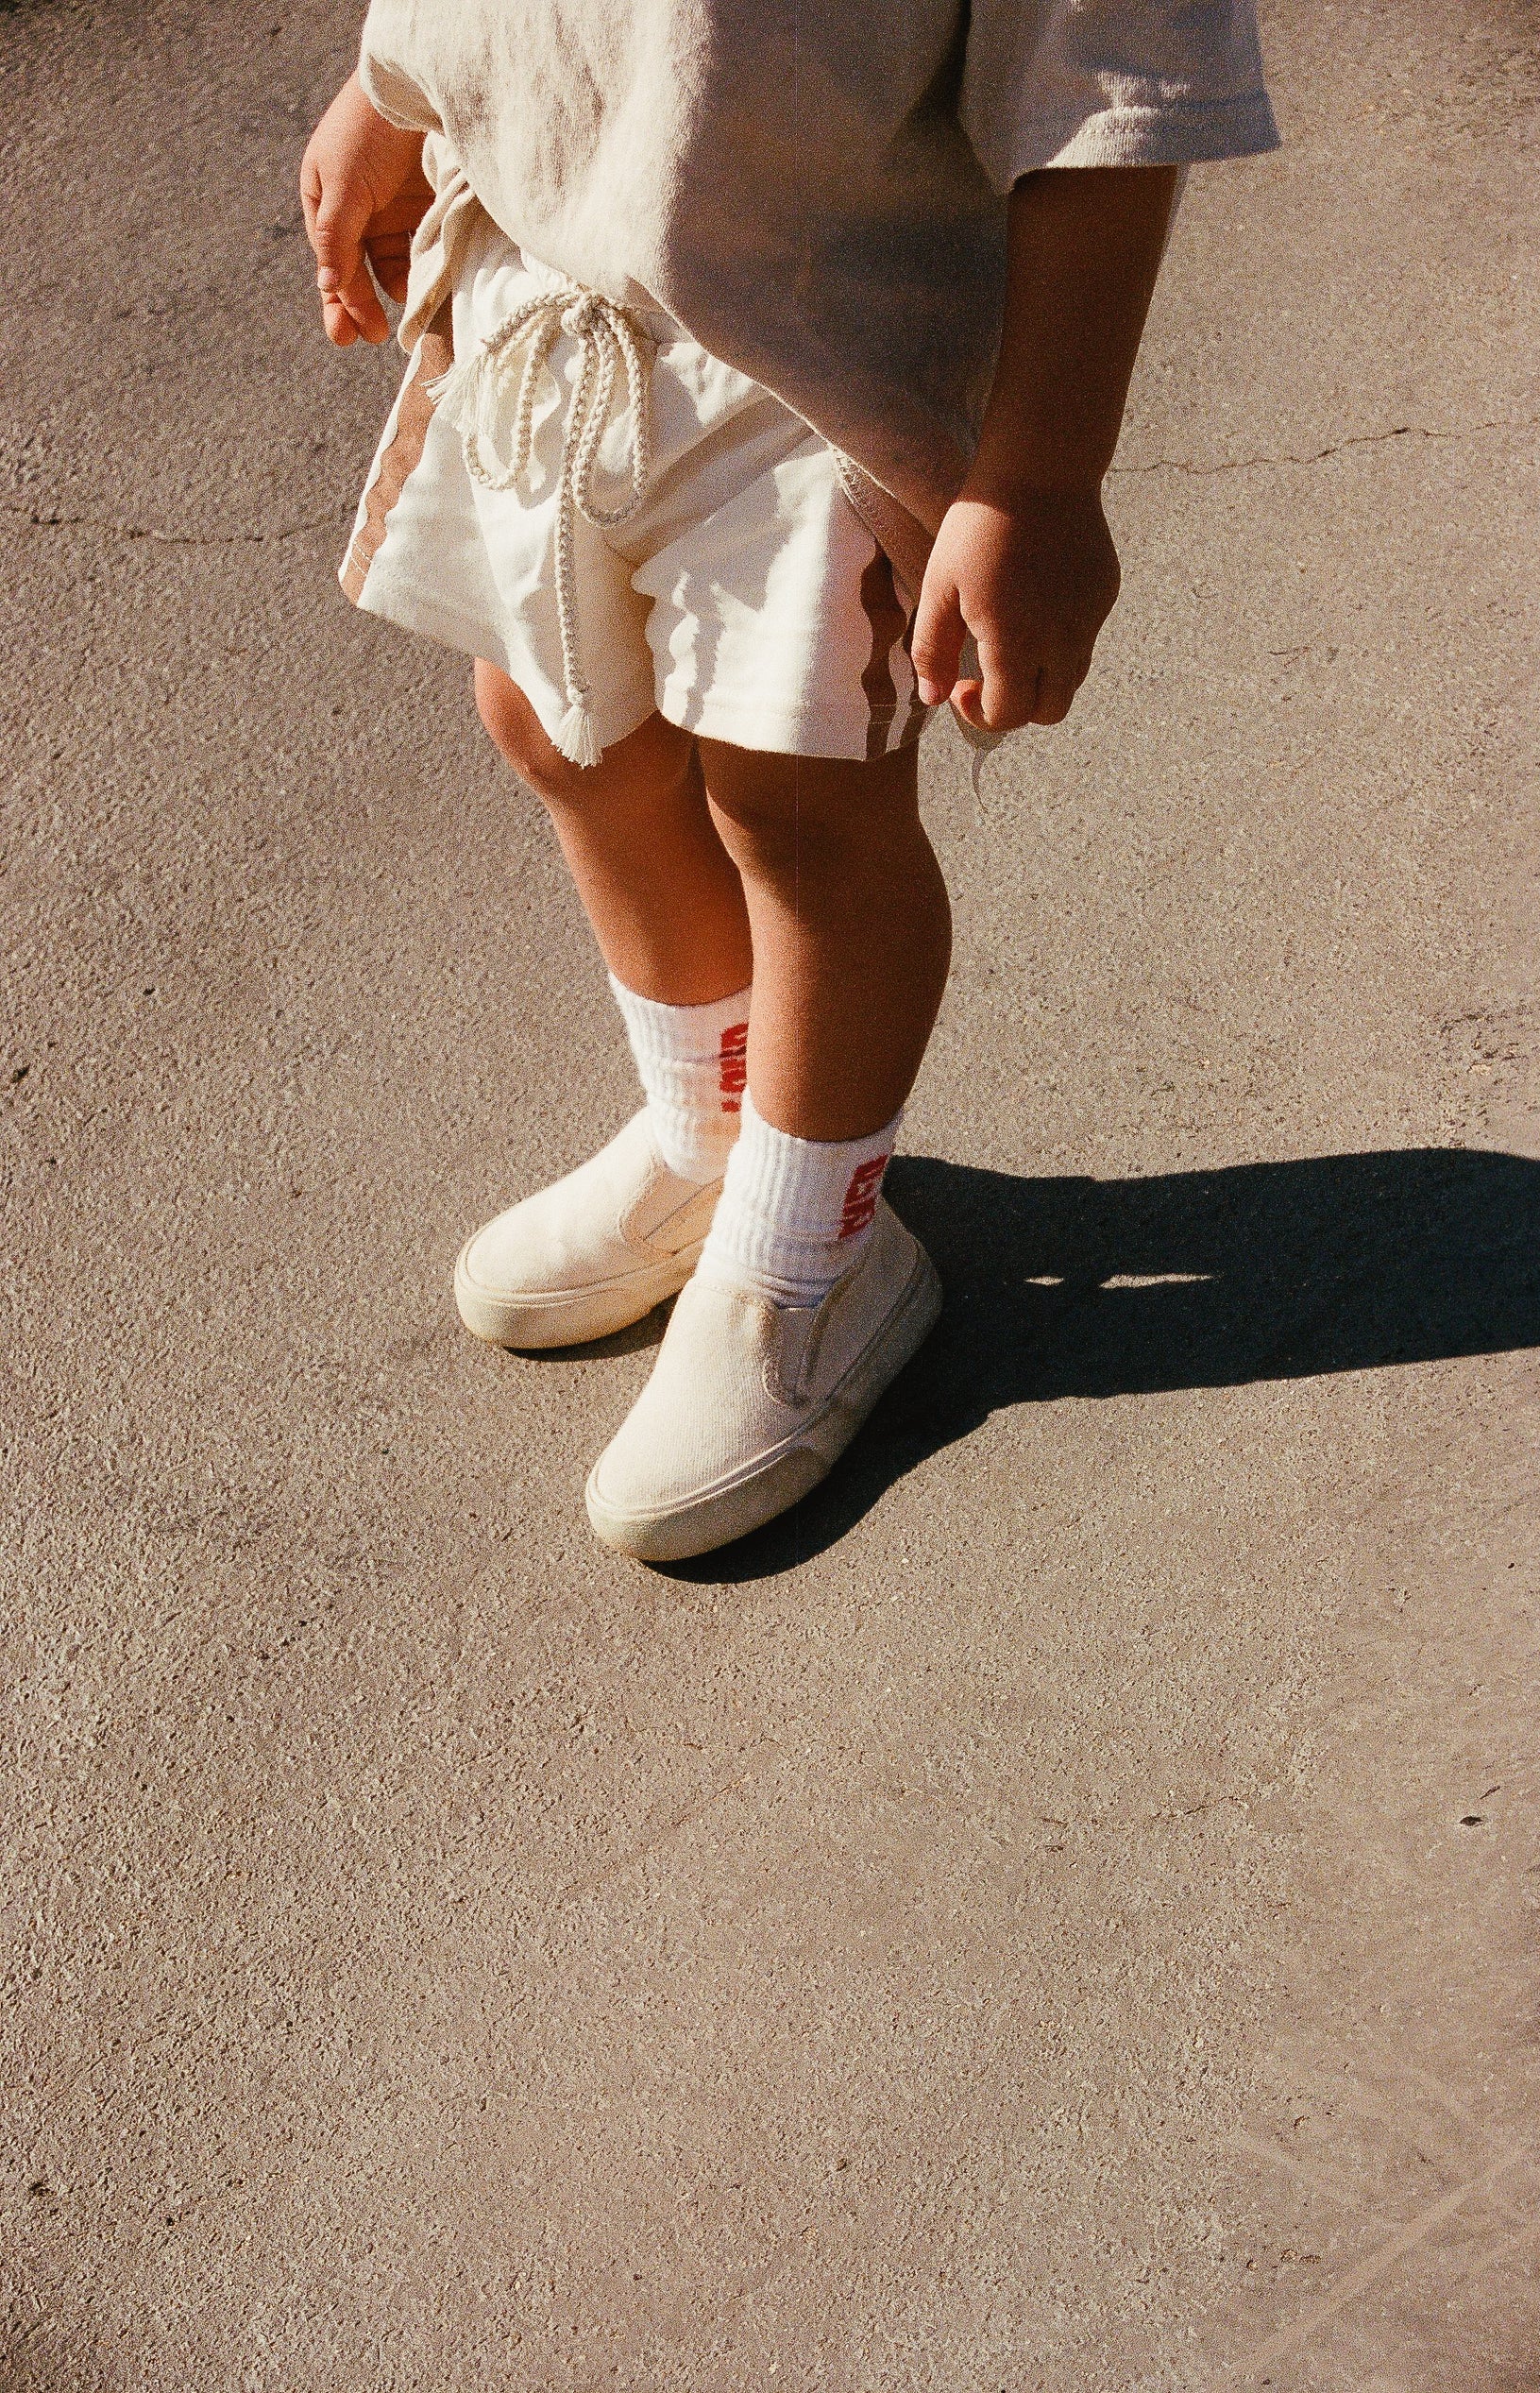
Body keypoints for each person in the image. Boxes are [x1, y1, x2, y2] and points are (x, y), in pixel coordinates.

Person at [299, 3, 1277, 1562]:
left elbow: (1109, 77)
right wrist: (388, 84)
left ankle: (809, 1257)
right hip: (547, 256)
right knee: (552, 717)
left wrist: (1036, 480)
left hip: (819, 345)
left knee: (797, 806)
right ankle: (711, 1131)